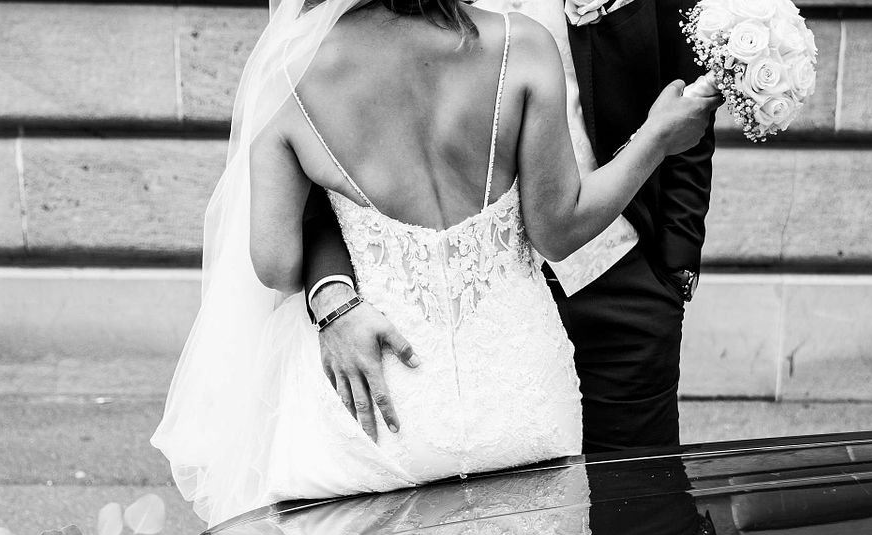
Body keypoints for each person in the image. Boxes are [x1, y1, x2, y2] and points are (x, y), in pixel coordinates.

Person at [151, 0, 719, 526]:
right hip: (519, 391)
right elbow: (558, 231)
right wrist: (656, 137)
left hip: (381, 395)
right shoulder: (520, 45)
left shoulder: (290, 77)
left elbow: (276, 266)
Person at [305, 0, 719, 455]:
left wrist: (676, 267)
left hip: (621, 278)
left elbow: (689, 93)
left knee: (639, 488)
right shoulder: (326, 43)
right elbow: (314, 169)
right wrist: (332, 296)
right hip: (459, 315)